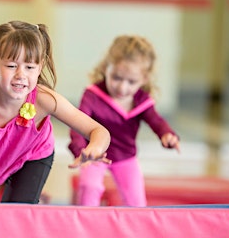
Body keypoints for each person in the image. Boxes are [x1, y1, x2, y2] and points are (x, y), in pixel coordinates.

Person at [0, 21, 111, 203]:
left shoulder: (45, 100)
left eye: (29, 67)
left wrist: (94, 148)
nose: (21, 75)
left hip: (31, 156)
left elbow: (99, 131)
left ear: (40, 67)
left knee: (16, 215)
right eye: (11, 66)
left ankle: (19, 194)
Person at [68, 35, 181, 207]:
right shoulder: (92, 95)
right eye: (116, 78)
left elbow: (156, 122)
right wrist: (81, 151)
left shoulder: (141, 101)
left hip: (125, 157)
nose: (122, 87)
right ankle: (85, 227)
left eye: (131, 82)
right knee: (89, 187)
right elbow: (77, 124)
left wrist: (167, 135)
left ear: (144, 79)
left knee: (135, 201)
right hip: (94, 154)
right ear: (106, 68)